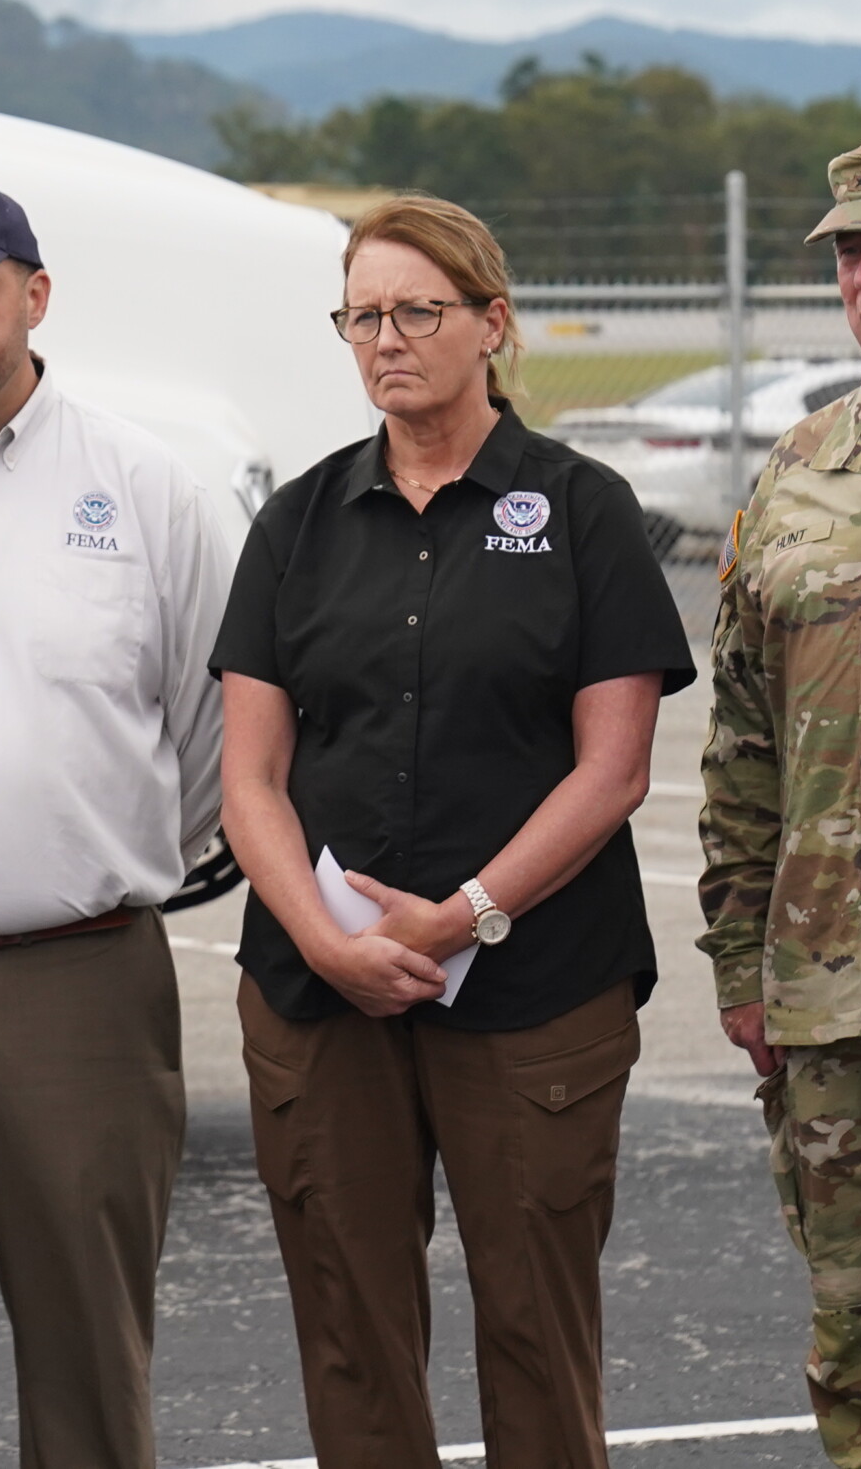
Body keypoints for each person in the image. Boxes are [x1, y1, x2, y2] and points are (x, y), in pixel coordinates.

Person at [212, 194, 694, 1469]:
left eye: (417, 311)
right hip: (322, 996)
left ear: (491, 323)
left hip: (535, 990)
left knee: (536, 1330)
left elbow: (613, 769)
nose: (387, 339)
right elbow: (249, 779)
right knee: (350, 1335)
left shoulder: (582, 510)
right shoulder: (298, 524)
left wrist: (465, 915)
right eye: (361, 316)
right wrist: (325, 941)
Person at [0, 169, 229, 1469]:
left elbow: (215, 731)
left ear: (34, 295)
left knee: (87, 1363)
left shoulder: (143, 487)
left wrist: (89, 855)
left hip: (79, 985)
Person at [702, 131, 861, 1467]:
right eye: (851, 254)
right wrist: (739, 961)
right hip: (835, 998)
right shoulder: (796, 471)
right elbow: (742, 738)